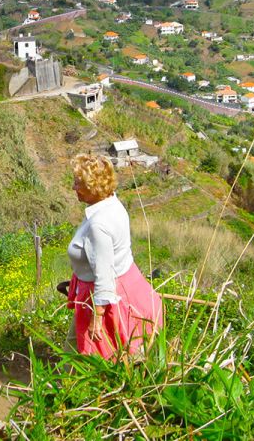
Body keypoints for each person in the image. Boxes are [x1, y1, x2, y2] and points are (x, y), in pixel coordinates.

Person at [65, 154, 164, 359]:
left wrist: (97, 317)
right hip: (122, 287)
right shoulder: (113, 204)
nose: (74, 188)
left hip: (101, 297)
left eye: (78, 183)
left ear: (93, 187)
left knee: (90, 353)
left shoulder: (99, 224)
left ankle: (68, 387)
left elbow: (104, 274)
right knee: (86, 347)